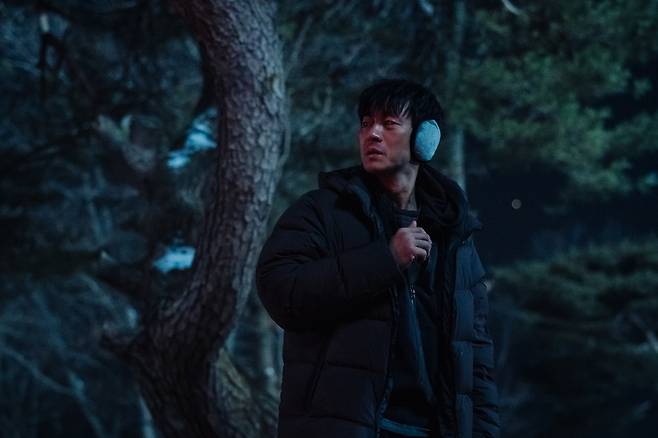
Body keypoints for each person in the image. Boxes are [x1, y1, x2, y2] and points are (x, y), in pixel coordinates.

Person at [256, 79, 500, 438]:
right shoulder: (322, 211)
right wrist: (386, 259)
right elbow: (282, 293)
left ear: (425, 138)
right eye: (366, 123)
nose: (372, 134)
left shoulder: (454, 234)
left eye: (388, 123)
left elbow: (476, 356)